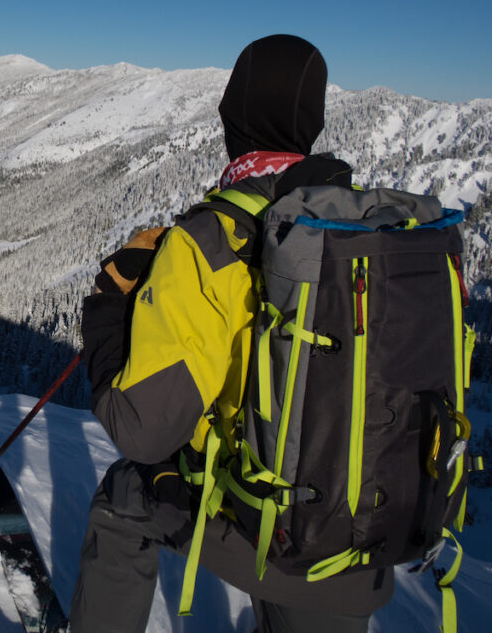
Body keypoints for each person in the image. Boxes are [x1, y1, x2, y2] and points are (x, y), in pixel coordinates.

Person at [69, 35, 394, 633]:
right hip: (365, 537)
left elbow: (139, 428)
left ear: (233, 117)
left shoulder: (212, 239)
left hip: (275, 533)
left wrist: (109, 306)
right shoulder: (363, 231)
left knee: (123, 502)